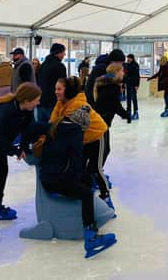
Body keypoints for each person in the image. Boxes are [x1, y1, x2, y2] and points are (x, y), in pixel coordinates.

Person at [41, 108, 117, 258]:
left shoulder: (56, 127)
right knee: (86, 194)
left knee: (87, 179)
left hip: (49, 175)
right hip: (55, 179)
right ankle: (91, 236)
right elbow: (76, 164)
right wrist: (78, 183)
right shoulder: (75, 134)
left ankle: (84, 214)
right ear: (81, 126)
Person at [0, 82, 42, 239]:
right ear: (27, 100)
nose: (38, 103)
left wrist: (36, 141)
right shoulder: (5, 111)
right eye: (36, 100)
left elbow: (29, 129)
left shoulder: (25, 111)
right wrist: (15, 150)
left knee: (2, 172)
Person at [49, 77, 112, 215]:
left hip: (98, 135)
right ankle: (84, 195)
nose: (56, 92)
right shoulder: (61, 103)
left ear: (68, 90)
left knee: (96, 168)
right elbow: (52, 122)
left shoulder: (77, 106)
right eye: (55, 89)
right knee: (80, 167)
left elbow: (61, 128)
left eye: (59, 89)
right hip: (83, 139)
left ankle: (106, 196)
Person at [94, 63, 131, 212]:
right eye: (122, 70)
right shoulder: (112, 86)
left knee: (104, 150)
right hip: (101, 124)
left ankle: (95, 173)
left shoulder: (103, 83)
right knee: (102, 152)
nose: (124, 73)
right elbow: (115, 105)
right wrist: (126, 115)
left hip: (101, 122)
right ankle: (97, 178)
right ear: (116, 71)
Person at [37, 43, 67, 120]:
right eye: (63, 52)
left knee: (41, 128)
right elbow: (63, 84)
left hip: (41, 101)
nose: (64, 55)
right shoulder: (59, 66)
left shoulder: (43, 65)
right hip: (53, 102)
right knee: (52, 128)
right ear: (59, 53)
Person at [123, 54, 141, 120]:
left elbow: (137, 76)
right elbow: (125, 75)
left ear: (132, 58)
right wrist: (124, 83)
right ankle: (128, 112)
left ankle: (136, 112)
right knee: (128, 99)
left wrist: (137, 85)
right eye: (127, 58)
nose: (128, 59)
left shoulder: (135, 65)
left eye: (129, 58)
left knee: (134, 99)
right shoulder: (126, 65)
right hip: (128, 84)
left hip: (133, 85)